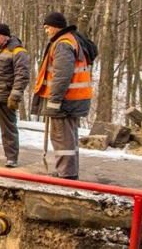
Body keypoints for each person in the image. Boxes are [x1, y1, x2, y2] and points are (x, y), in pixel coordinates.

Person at [31, 12, 93, 180]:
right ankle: (68, 171)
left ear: (55, 27)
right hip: (74, 99)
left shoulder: (63, 44)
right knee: (68, 137)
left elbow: (61, 75)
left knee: (61, 137)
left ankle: (66, 174)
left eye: (47, 27)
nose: (46, 31)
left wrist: (54, 100)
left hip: (65, 100)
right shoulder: (71, 40)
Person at [0, 24, 29, 167]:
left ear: (6, 36)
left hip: (6, 96)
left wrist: (15, 95)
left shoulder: (18, 51)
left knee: (8, 129)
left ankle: (11, 157)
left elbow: (22, 75)